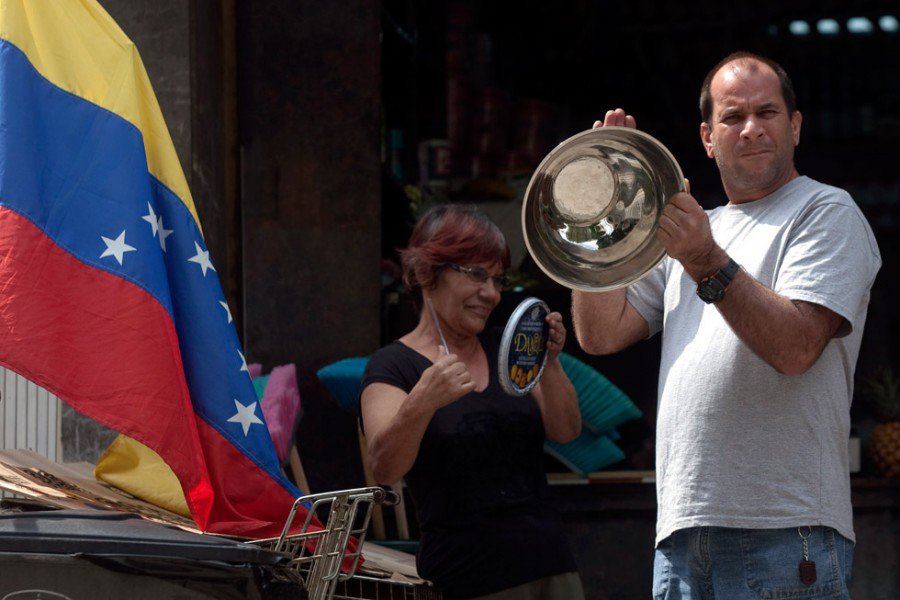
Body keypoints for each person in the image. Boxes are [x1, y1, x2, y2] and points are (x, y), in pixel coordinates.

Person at [572, 52, 881, 599]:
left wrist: (705, 261)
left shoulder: (826, 211)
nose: (752, 129)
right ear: (707, 138)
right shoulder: (695, 229)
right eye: (733, 117)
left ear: (797, 126)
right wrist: (602, 215)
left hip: (786, 529)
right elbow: (601, 334)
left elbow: (795, 347)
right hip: (682, 534)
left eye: (768, 112)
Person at [360, 204, 585, 599]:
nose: (491, 294)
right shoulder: (392, 366)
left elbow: (566, 431)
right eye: (476, 275)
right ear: (427, 272)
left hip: (550, 566)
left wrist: (550, 362)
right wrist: (422, 402)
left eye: (498, 280)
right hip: (468, 579)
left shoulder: (506, 345)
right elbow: (384, 467)